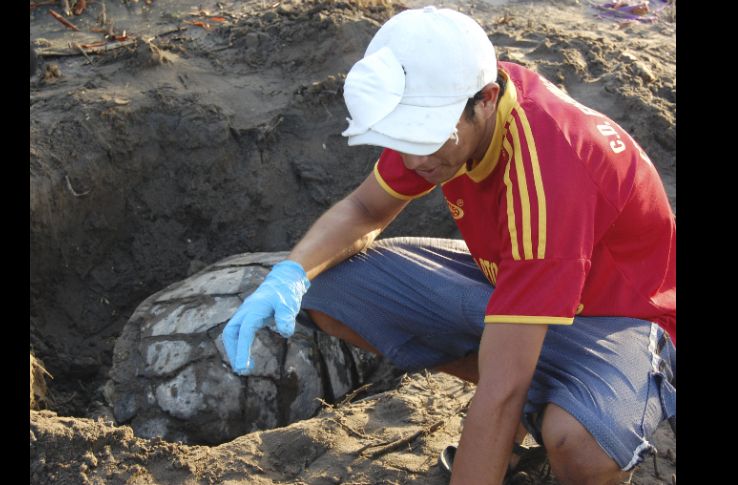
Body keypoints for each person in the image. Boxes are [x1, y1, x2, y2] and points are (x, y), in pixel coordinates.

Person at [222, 6, 675, 485]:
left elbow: (502, 388)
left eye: (430, 138)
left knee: (579, 444)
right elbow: (364, 211)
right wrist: (289, 274)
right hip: (516, 272)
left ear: (486, 100)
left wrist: (499, 411)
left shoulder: (549, 174)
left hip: (620, 315)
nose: (416, 159)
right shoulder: (444, 103)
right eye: (407, 136)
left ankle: (565, 404)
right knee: (330, 286)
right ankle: (546, 392)